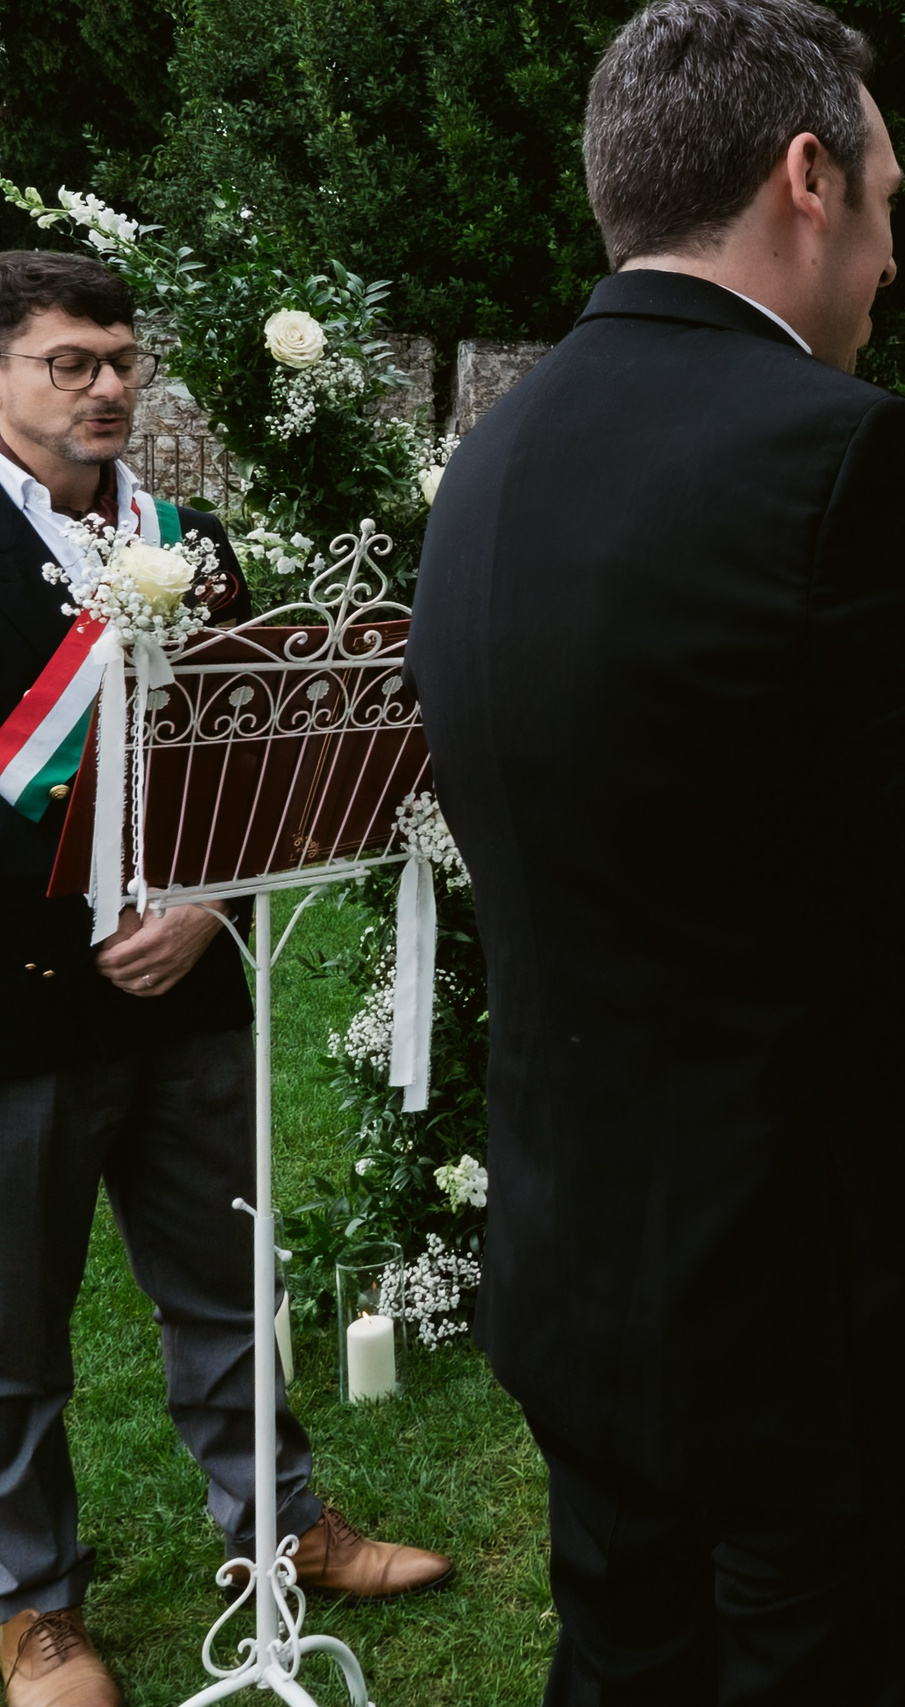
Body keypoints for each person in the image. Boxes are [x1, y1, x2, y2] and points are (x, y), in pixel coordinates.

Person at [407, 2, 905, 1702]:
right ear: (807, 175)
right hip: (822, 1327)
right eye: (894, 202)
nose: (898, 260)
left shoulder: (492, 464)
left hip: (584, 1273)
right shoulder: (850, 459)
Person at [0, 251, 450, 1707]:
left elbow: (253, 763)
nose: (110, 386)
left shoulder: (190, 537)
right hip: (15, 1012)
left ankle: (281, 1529)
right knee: (14, 1329)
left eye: (124, 358)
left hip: (194, 989)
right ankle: (32, 1608)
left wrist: (203, 901)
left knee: (221, 1288)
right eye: (71, 360)